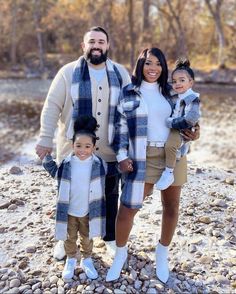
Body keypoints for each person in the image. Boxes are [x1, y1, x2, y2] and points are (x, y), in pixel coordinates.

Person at [106, 48, 199, 283]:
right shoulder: (128, 93)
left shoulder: (172, 91)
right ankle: (120, 254)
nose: (153, 68)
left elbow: (192, 116)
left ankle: (162, 253)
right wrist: (121, 156)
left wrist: (196, 133)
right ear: (140, 65)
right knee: (128, 207)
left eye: (158, 64)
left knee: (171, 206)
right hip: (141, 156)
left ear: (163, 67)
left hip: (173, 156)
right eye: (148, 63)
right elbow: (119, 128)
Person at [35, 26, 131, 256]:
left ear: (107, 46)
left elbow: (132, 108)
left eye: (101, 42)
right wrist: (45, 138)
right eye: (92, 42)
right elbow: (51, 107)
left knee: (109, 195)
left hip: (109, 149)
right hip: (72, 149)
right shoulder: (67, 73)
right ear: (83, 46)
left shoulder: (121, 73)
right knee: (69, 195)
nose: (96, 46)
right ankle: (65, 239)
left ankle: (109, 238)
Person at [43, 115, 106, 280]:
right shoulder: (67, 163)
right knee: (69, 237)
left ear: (93, 147)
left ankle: (87, 259)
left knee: (87, 237)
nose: (82, 150)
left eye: (87, 146)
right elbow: (56, 174)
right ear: (72, 145)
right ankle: (70, 259)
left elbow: (110, 177)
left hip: (88, 211)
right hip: (69, 210)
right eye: (78, 145)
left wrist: (126, 166)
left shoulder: (99, 165)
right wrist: (46, 159)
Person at [156, 58, 201, 190]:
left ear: (191, 82)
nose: (177, 84)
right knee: (173, 147)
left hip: (181, 128)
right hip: (177, 127)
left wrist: (171, 122)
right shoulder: (179, 95)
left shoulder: (192, 98)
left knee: (170, 145)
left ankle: (169, 172)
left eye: (182, 80)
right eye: (174, 81)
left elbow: (191, 118)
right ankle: (175, 158)